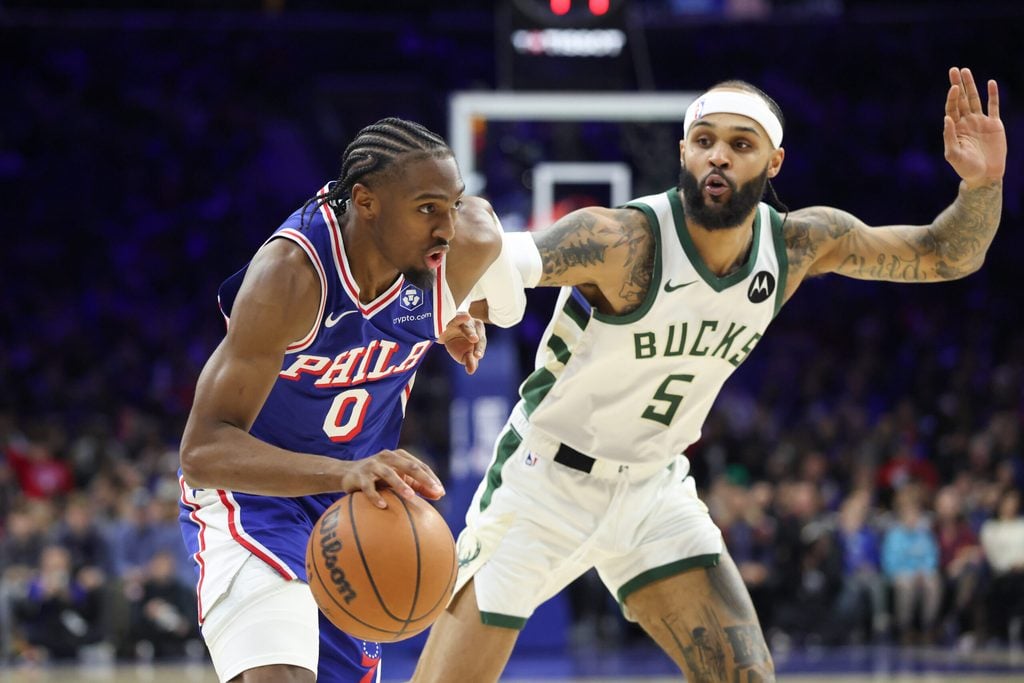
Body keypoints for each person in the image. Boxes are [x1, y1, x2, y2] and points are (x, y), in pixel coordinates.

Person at [412, 67, 1005, 682]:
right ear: (683, 152)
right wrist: (462, 302)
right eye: (704, 141)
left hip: (653, 489)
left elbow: (944, 254)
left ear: (774, 162)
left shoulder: (797, 245)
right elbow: (495, 257)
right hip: (544, 485)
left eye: (740, 144)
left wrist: (983, 184)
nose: (718, 156)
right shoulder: (622, 241)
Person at [177, 117, 520, 683]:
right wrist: (342, 472)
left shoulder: (466, 244)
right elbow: (202, 452)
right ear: (366, 203)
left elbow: (478, 258)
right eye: (427, 209)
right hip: (254, 498)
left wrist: (449, 316)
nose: (446, 228)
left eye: (453, 205)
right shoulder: (291, 277)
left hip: (353, 504)